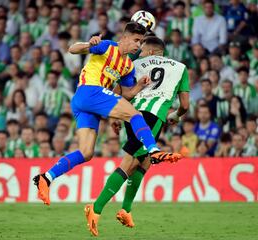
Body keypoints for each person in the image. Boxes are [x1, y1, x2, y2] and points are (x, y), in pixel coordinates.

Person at [33, 23, 182, 208]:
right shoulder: (107, 46)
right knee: (135, 115)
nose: (138, 45)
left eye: (141, 42)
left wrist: (139, 86)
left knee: (86, 153)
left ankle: (46, 178)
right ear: (125, 37)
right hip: (89, 91)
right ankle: (153, 150)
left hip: (87, 103)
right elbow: (72, 49)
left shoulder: (128, 66)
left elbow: (124, 94)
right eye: (136, 40)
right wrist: (90, 44)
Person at [86, 36, 190, 236]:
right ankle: (96, 208)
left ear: (151, 52)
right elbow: (185, 105)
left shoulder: (133, 64)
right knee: (130, 161)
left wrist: (116, 117)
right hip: (153, 117)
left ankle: (126, 210)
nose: (139, 53)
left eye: (142, 50)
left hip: (132, 115)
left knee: (145, 161)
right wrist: (175, 116)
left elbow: (119, 92)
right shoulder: (180, 68)